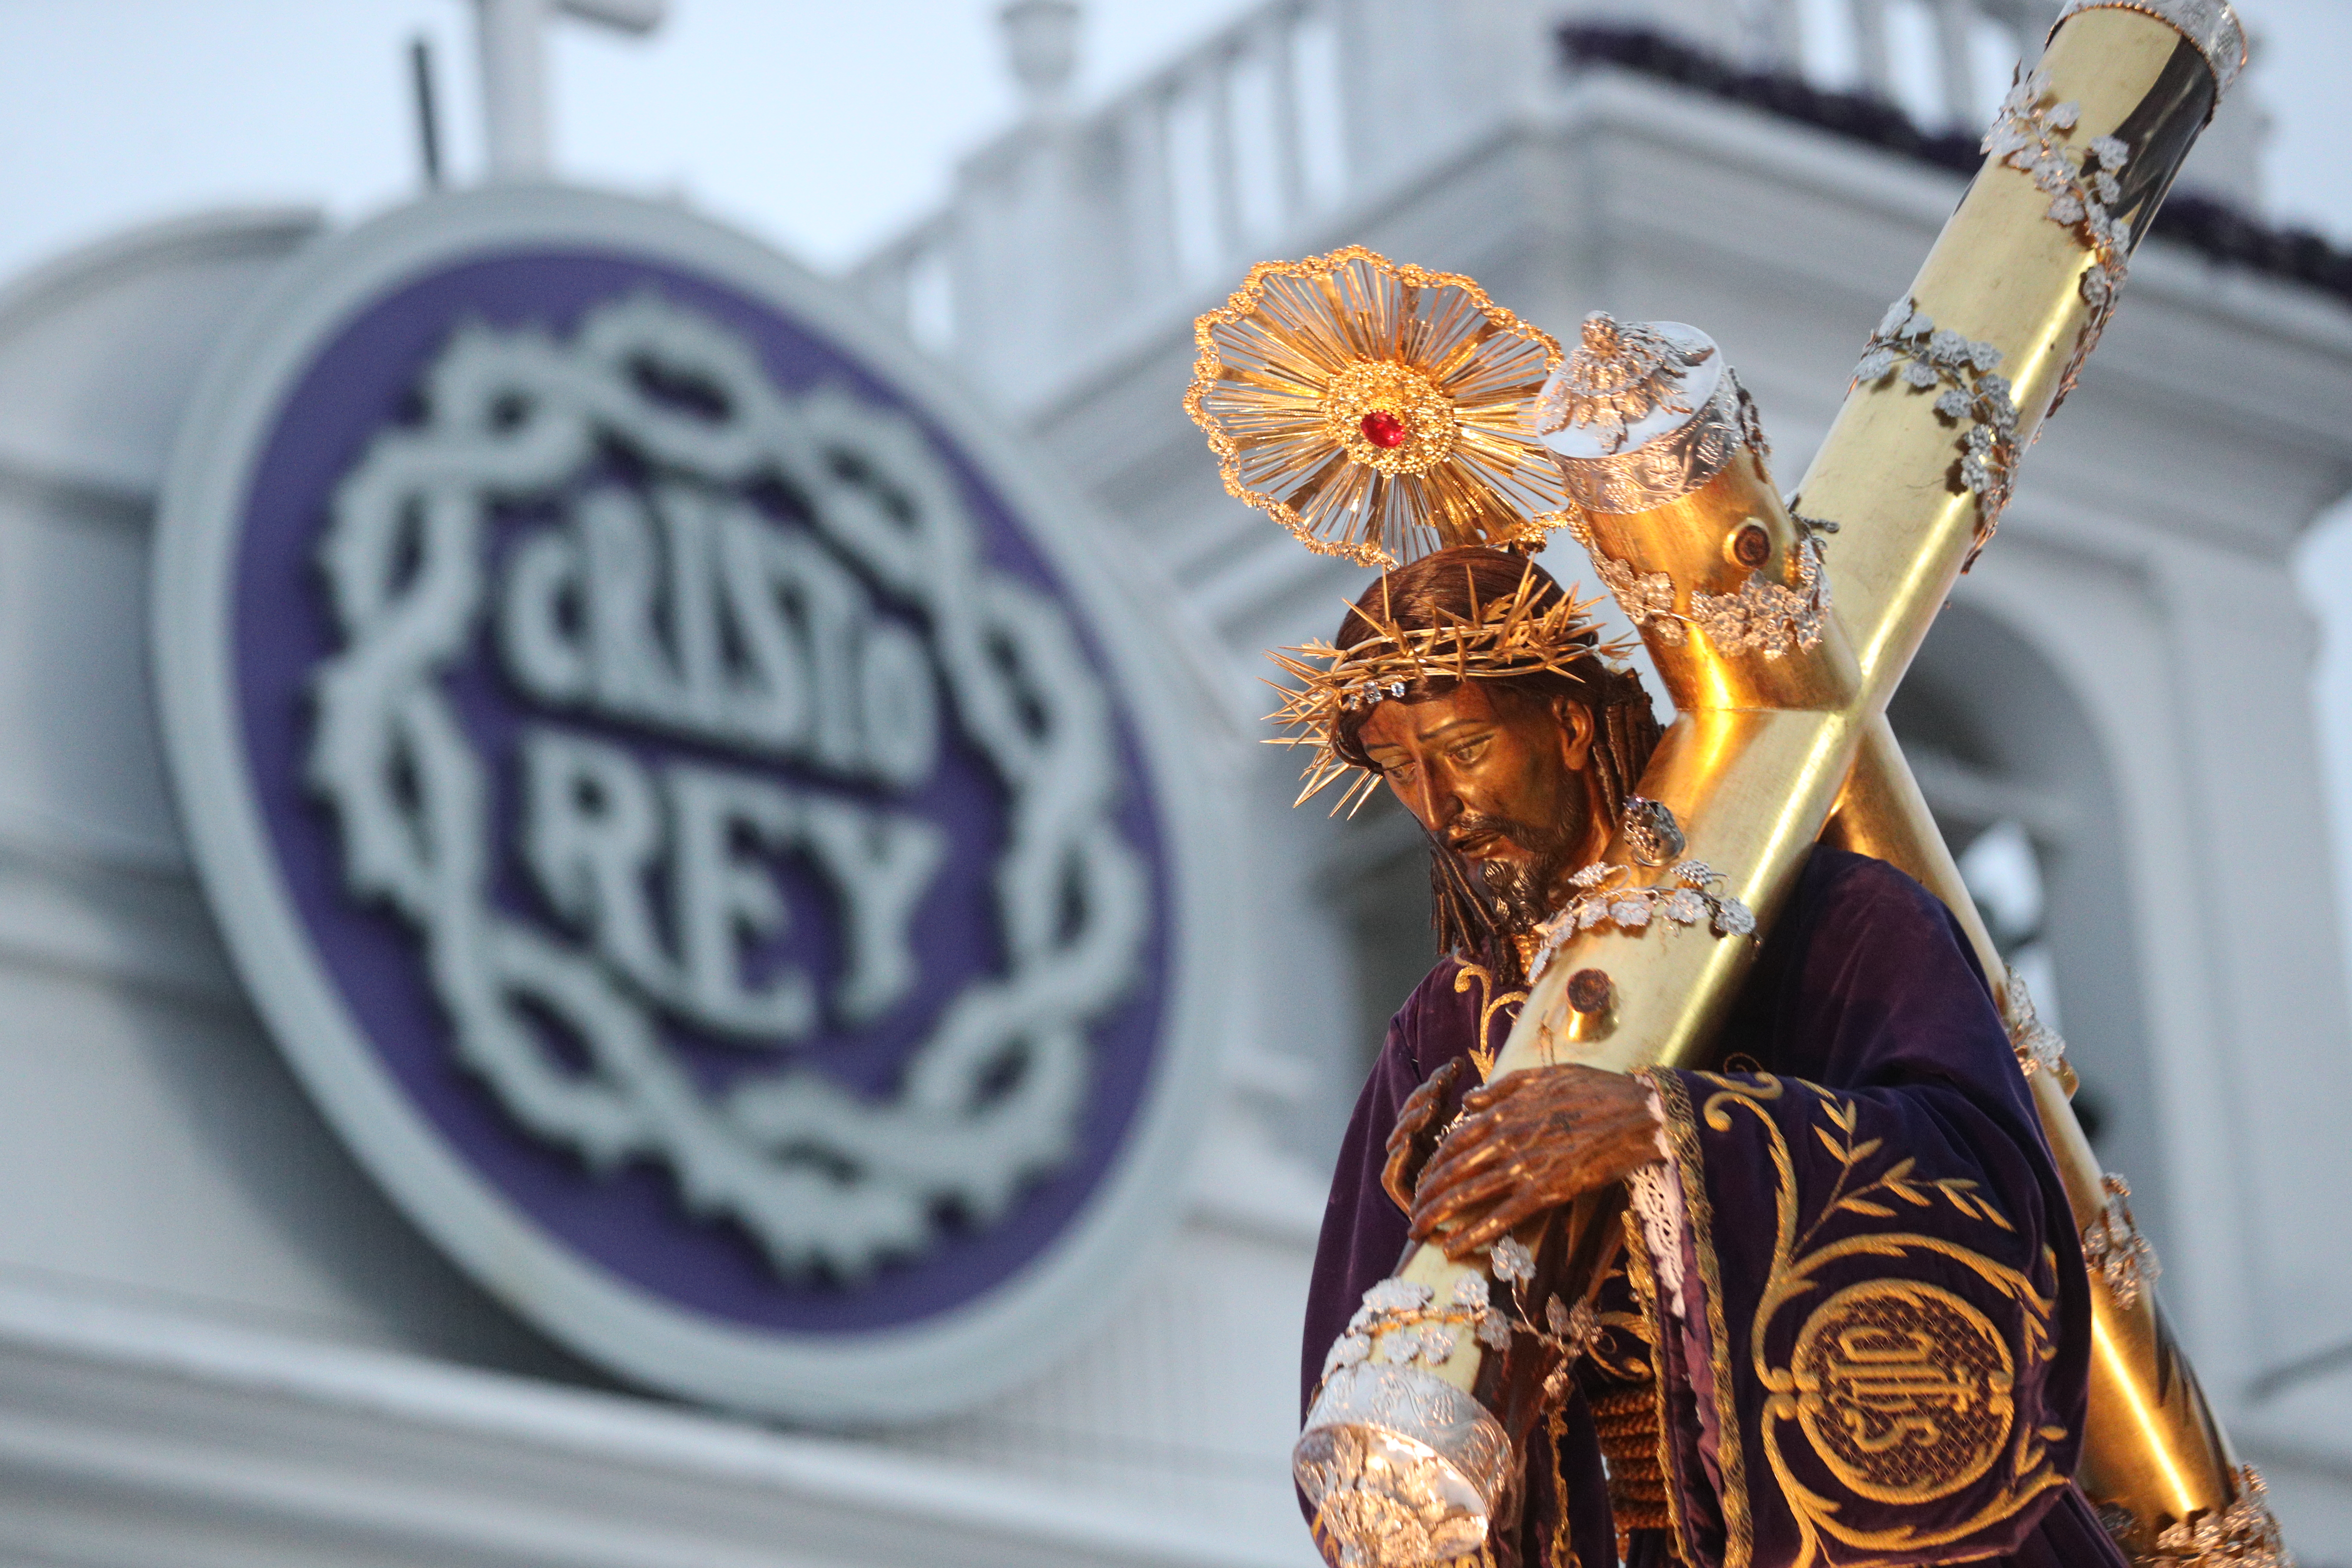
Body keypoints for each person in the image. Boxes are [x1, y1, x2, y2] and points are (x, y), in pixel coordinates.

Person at [1297, 546, 2128, 1568]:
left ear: (1565, 722)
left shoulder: (1834, 922)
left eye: (1464, 746)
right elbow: (1367, 1342)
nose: (1439, 807)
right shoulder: (1450, 1029)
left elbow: (1988, 1187)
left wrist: (1665, 1130)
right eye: (1399, 771)